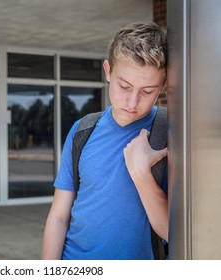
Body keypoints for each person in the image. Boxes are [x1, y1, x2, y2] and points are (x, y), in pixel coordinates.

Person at [41, 22, 168, 260]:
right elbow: (59, 216)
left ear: (163, 85)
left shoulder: (171, 134)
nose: (132, 102)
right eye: (124, 86)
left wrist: (141, 174)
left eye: (148, 91)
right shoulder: (82, 130)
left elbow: (172, 231)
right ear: (108, 71)